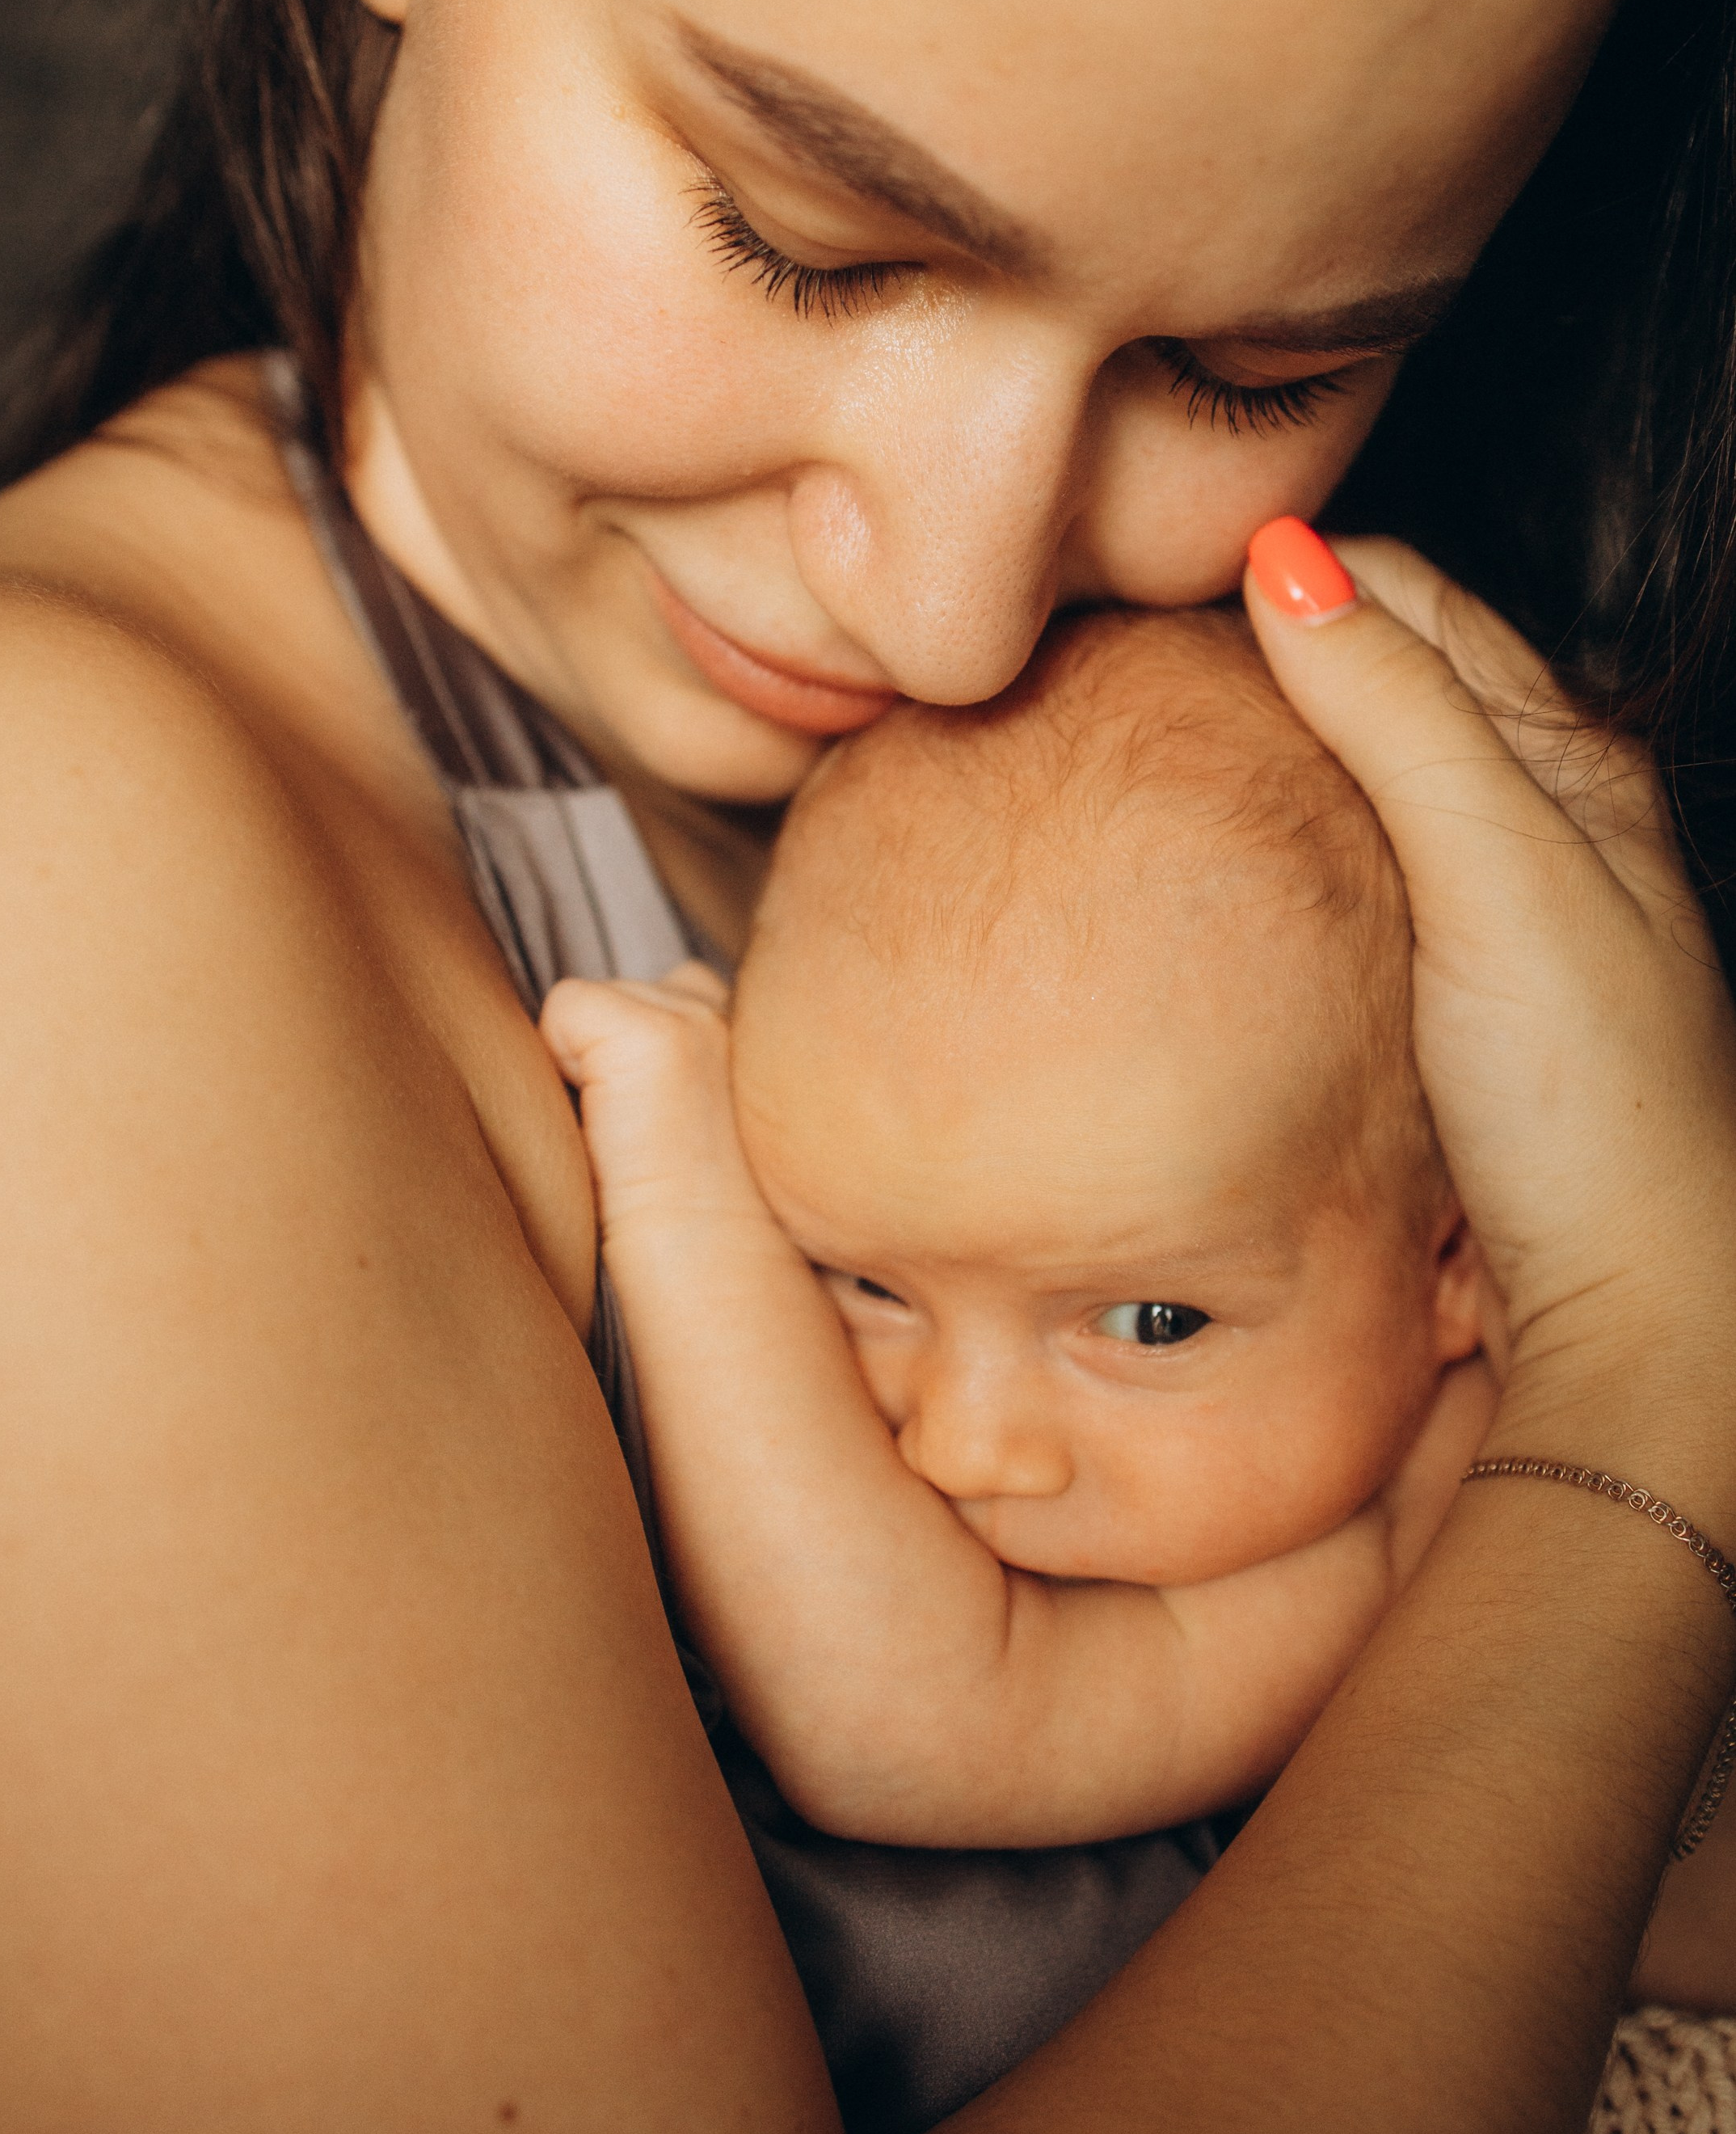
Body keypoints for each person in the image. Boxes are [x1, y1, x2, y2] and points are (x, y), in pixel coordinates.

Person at [0, 0, 1736, 2134]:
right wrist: (1646, 1401)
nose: (959, 589)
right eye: (810, 234)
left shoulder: (1307, 797)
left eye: (1252, 360)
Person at [543, 602, 1506, 1851]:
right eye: (864, 1285)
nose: (964, 1450)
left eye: (1150, 1324)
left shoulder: (1443, 1508)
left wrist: (685, 1210)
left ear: (1459, 1257)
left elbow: (911, 1734)